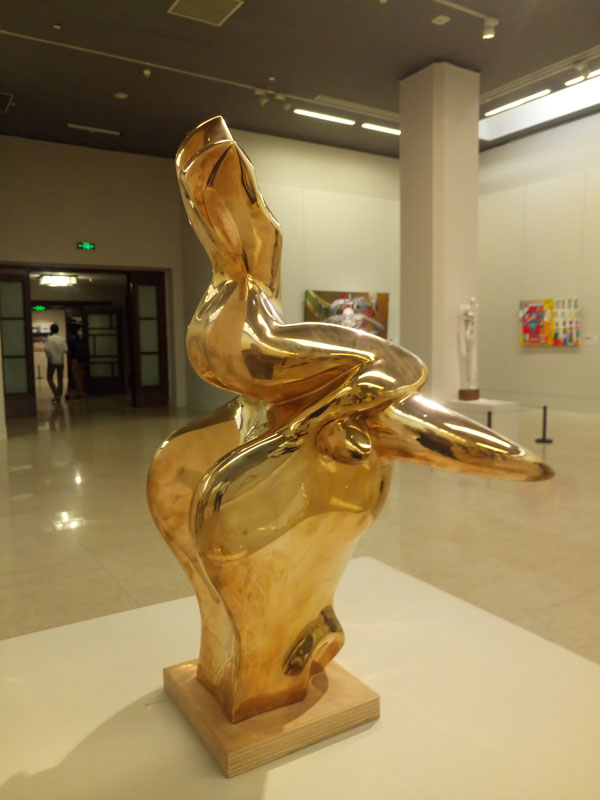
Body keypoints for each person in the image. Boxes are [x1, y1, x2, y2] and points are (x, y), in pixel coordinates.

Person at [44, 323, 68, 403]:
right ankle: (59, 395)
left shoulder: (49, 339)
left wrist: (49, 358)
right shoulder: (62, 338)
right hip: (61, 361)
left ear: (51, 330)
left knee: (49, 378)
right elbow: (65, 349)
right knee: (60, 379)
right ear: (58, 330)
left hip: (52, 361)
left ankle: (56, 394)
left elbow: (47, 350)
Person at [67, 323, 87, 399]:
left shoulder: (70, 340)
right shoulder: (79, 338)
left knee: (76, 376)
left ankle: (80, 392)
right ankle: (82, 392)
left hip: (75, 359)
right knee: (81, 376)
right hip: (82, 359)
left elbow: (70, 351)